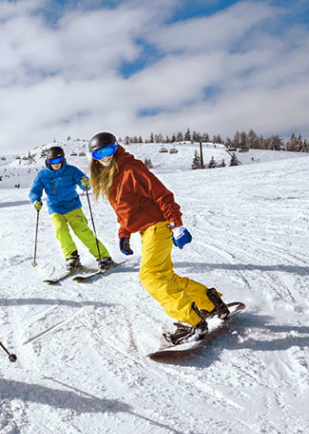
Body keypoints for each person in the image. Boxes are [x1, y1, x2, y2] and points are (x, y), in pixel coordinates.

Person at [87, 132, 231, 345]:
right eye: (99, 154)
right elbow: (124, 210)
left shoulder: (131, 169)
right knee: (165, 276)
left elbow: (162, 195)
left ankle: (193, 322)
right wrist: (124, 233)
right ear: (94, 158)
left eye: (108, 150)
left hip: (158, 225)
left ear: (116, 148)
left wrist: (177, 224)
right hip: (146, 230)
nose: (105, 157)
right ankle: (212, 304)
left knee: (151, 276)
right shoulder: (109, 177)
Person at [29, 145, 114, 273]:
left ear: (63, 160)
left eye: (58, 161)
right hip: (55, 208)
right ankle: (72, 258)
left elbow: (83, 181)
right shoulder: (43, 175)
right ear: (48, 161)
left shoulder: (71, 170)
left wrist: (85, 183)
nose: (56, 164)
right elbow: (35, 190)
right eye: (52, 161)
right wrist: (36, 200)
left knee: (82, 231)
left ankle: (103, 257)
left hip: (72, 206)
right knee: (60, 230)